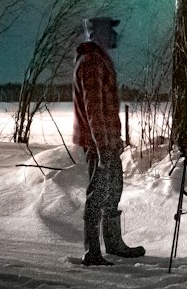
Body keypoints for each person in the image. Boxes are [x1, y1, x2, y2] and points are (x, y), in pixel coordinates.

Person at [72, 16, 146, 266]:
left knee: (113, 190)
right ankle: (93, 252)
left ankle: (113, 244)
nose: (115, 36)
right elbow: (94, 109)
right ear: (99, 34)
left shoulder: (99, 59)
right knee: (98, 194)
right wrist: (102, 145)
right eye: (110, 31)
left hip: (107, 142)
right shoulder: (91, 61)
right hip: (98, 143)